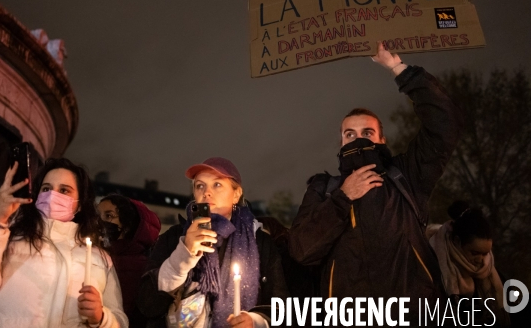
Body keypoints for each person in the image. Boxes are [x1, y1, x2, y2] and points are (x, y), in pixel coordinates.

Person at [288, 42, 463, 321]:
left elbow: (445, 123)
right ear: (340, 141)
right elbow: (301, 251)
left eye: (367, 132)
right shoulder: (323, 189)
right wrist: (343, 198)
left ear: (382, 139)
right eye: (350, 133)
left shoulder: (407, 175)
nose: (358, 138)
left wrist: (398, 69)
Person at [0, 158, 128, 328]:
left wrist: (101, 318)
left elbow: (120, 319)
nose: (53, 195)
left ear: (80, 204)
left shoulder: (100, 258)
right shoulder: (6, 237)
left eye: (64, 190)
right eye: (46, 189)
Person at [137, 157, 288, 328]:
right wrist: (183, 255)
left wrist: (255, 321)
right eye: (200, 186)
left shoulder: (259, 242)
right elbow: (147, 305)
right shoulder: (174, 238)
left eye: (217, 185)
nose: (206, 192)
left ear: (236, 194)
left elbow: (280, 308)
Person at [429, 201, 509, 326]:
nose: (481, 260)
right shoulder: (431, 267)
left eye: (485, 253)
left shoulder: (491, 274)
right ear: (457, 242)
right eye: (475, 253)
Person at [97, 194, 161, 326]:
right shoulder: (97, 255)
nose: (101, 222)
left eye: (109, 216)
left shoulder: (141, 265)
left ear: (127, 225)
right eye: (98, 216)